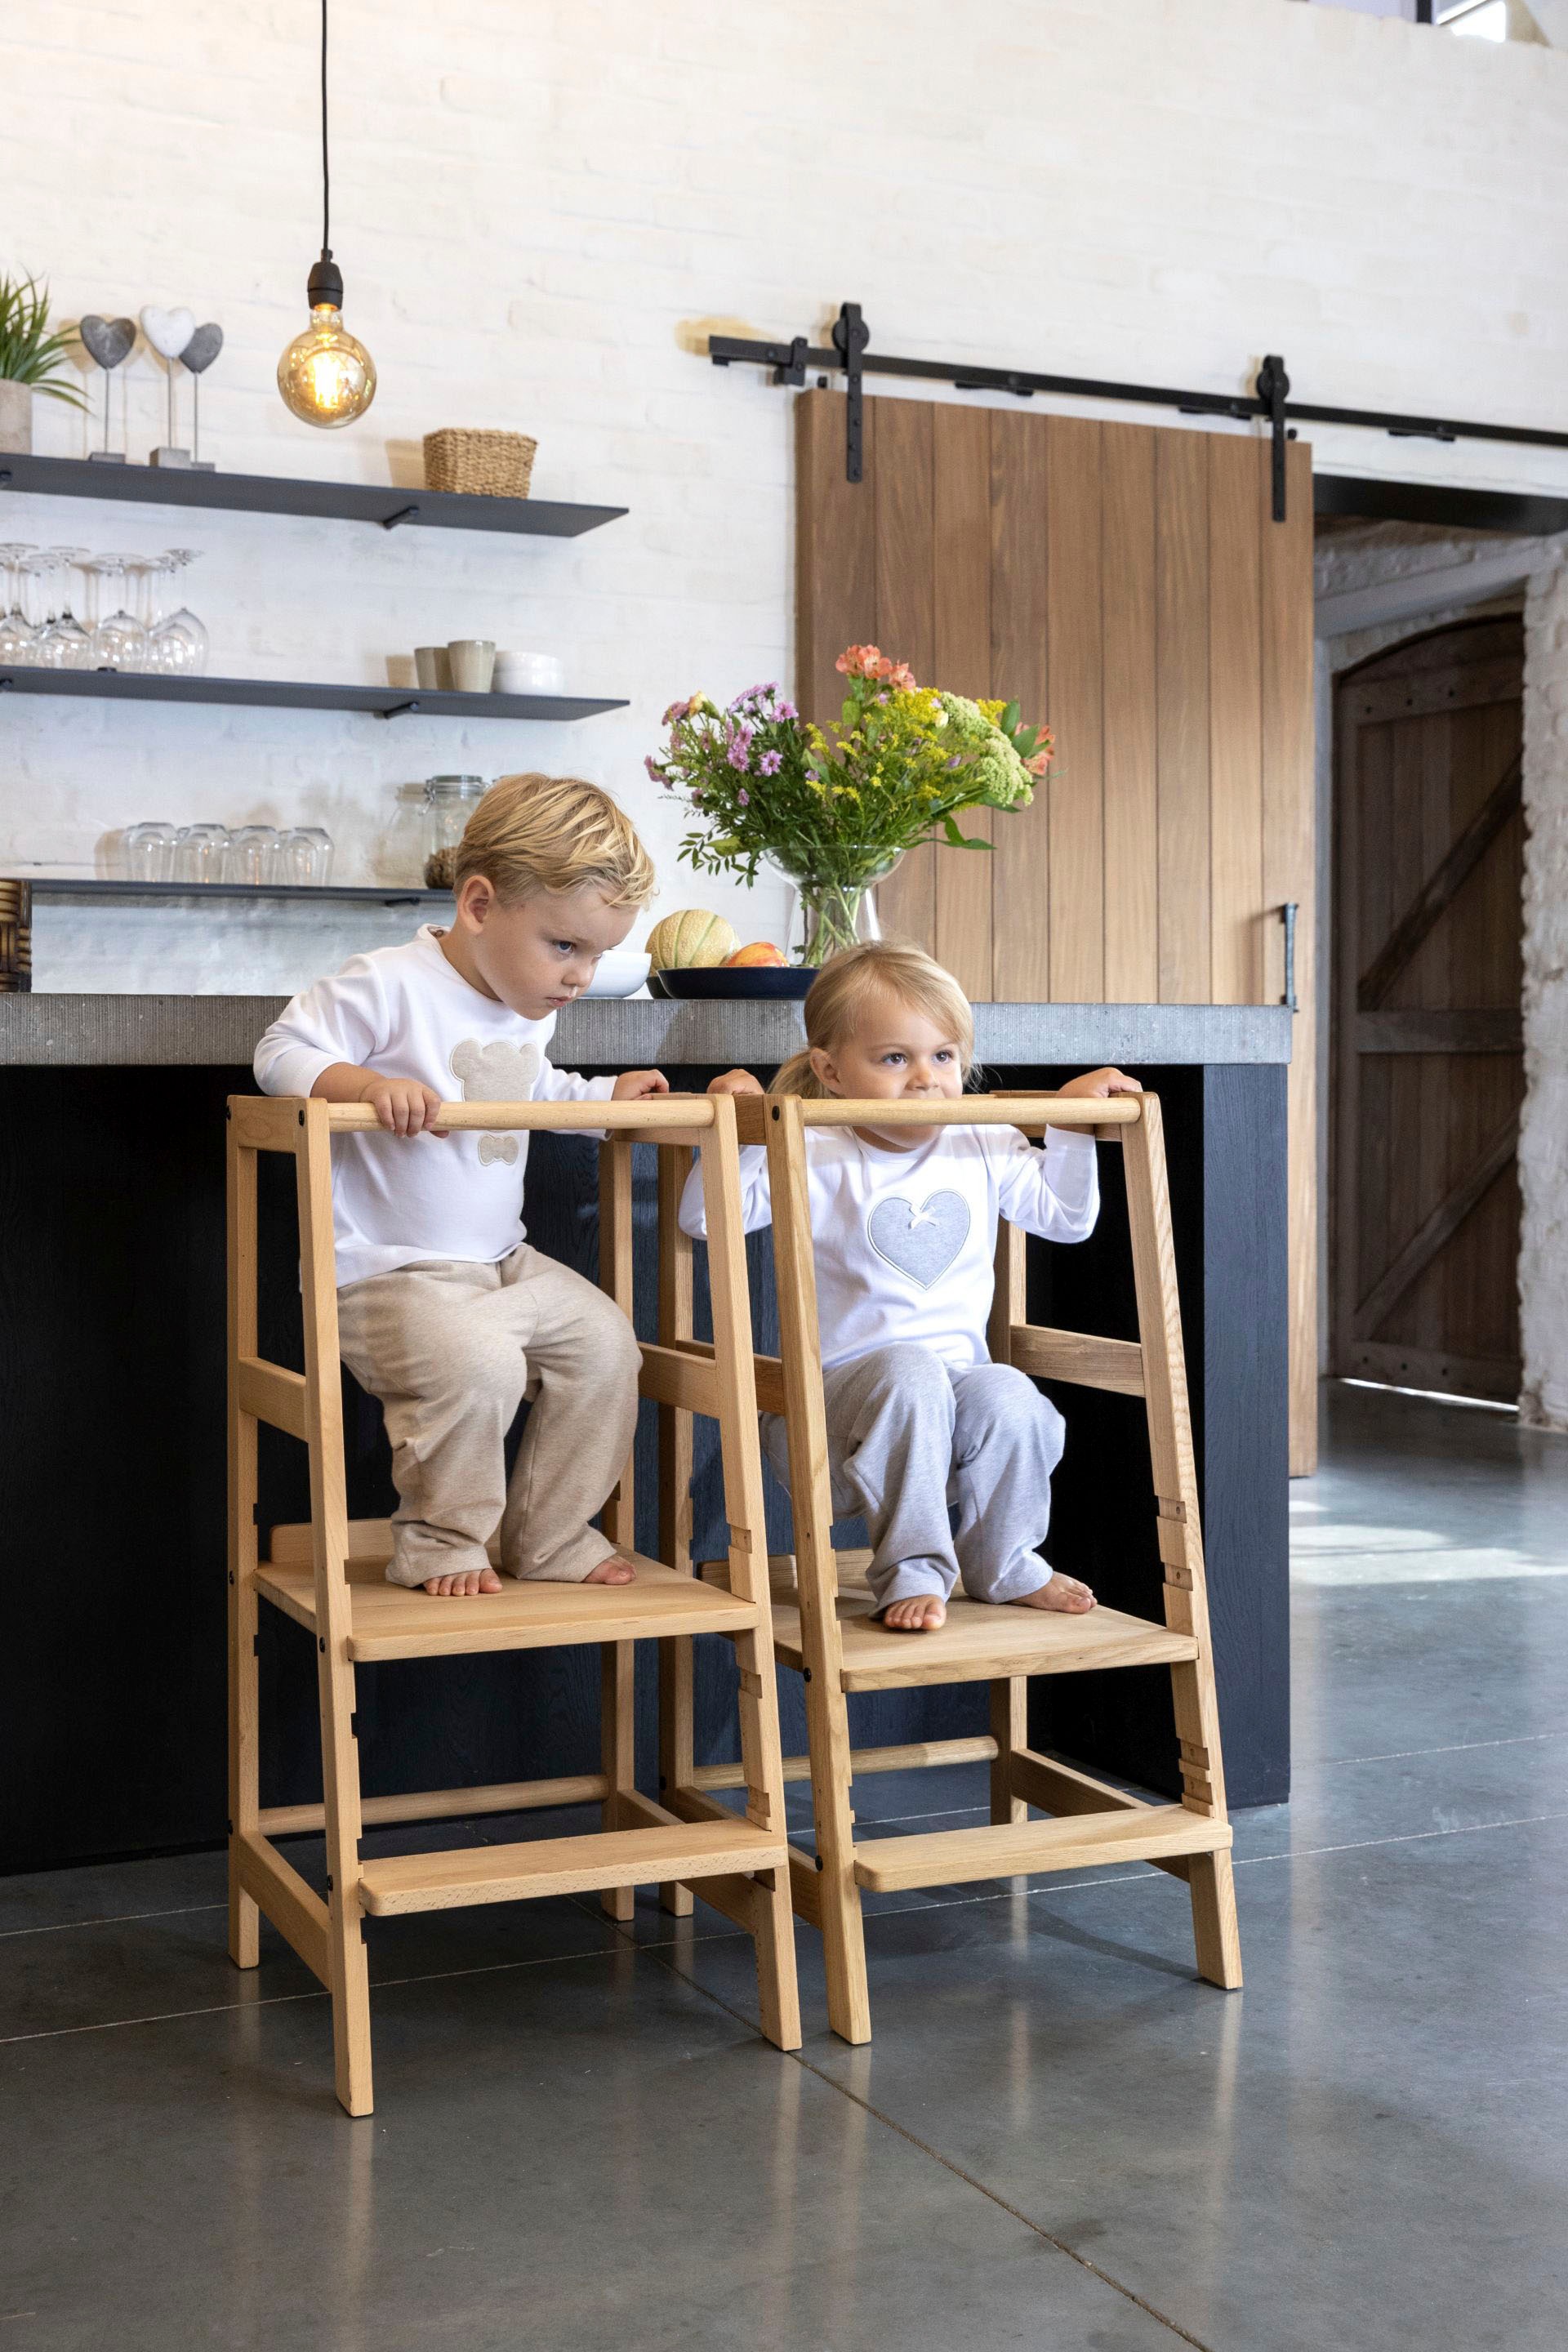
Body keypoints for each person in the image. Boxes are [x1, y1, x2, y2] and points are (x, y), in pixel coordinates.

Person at [254, 772, 668, 1599]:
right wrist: (363, 1087)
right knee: (478, 1364)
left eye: (597, 953)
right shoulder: (390, 982)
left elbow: (529, 1094)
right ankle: (439, 1541)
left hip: (497, 1261)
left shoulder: (528, 1000)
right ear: (479, 905)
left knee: (606, 1347)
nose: (580, 975)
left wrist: (602, 1100)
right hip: (384, 1271)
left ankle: (546, 1535)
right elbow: (279, 1051)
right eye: (565, 946)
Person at [680, 942, 1138, 1633]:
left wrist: (1068, 1126)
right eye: (896, 1058)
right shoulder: (817, 1146)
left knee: (1011, 1393)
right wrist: (743, 1131)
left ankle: (1002, 1560)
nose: (926, 1078)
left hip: (950, 1427)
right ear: (831, 1072)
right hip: (829, 1420)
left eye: (944, 1056)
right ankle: (910, 1569)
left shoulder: (976, 1140)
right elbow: (703, 1220)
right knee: (911, 1371)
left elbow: (1067, 1220)